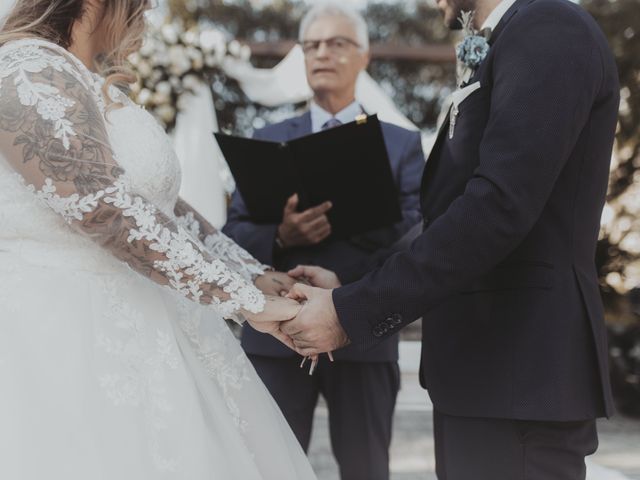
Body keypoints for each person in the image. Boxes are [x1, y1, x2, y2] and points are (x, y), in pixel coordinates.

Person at [283, 0, 620, 478]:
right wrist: (350, 281)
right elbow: (450, 215)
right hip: (484, 376)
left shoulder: (550, 26)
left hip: (520, 374)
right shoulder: (513, 36)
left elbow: (497, 207)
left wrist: (349, 314)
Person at [0, 1, 318, 478]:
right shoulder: (27, 67)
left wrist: (251, 272)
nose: (147, 12)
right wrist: (244, 300)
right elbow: (103, 204)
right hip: (66, 338)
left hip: (150, 327)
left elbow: (159, 205)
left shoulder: (80, 74)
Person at [222, 4, 424, 479]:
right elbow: (231, 233)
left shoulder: (400, 143)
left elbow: (418, 232)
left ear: (364, 56)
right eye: (311, 46)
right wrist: (281, 234)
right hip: (277, 334)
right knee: (267, 466)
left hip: (363, 328)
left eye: (336, 43)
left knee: (367, 467)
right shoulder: (266, 138)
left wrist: (347, 280)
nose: (321, 54)